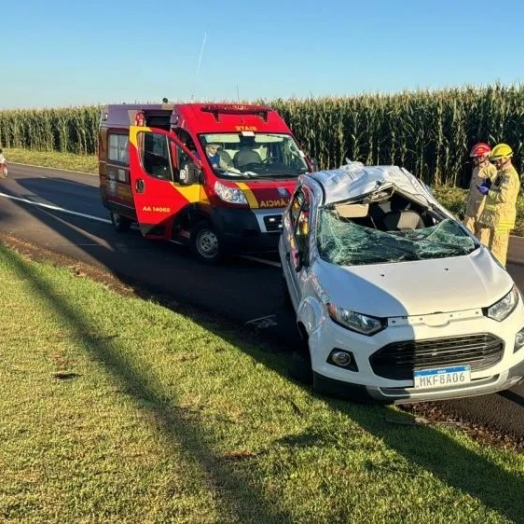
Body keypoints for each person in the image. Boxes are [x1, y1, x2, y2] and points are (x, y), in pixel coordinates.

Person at [477, 143, 520, 267]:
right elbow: (498, 190)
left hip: (502, 220)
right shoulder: (502, 174)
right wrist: (489, 185)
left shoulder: (510, 176)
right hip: (495, 218)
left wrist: (488, 192)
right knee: (491, 248)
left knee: (498, 250)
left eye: (497, 161)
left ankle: (499, 277)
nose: (496, 164)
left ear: (505, 158)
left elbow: (503, 197)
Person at [463, 142, 497, 236]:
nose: (474, 159)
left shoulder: (492, 170)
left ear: (482, 157)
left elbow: (494, 191)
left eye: (475, 157)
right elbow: (472, 188)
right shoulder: (475, 169)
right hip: (471, 209)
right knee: (467, 234)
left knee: (481, 237)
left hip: (482, 211)